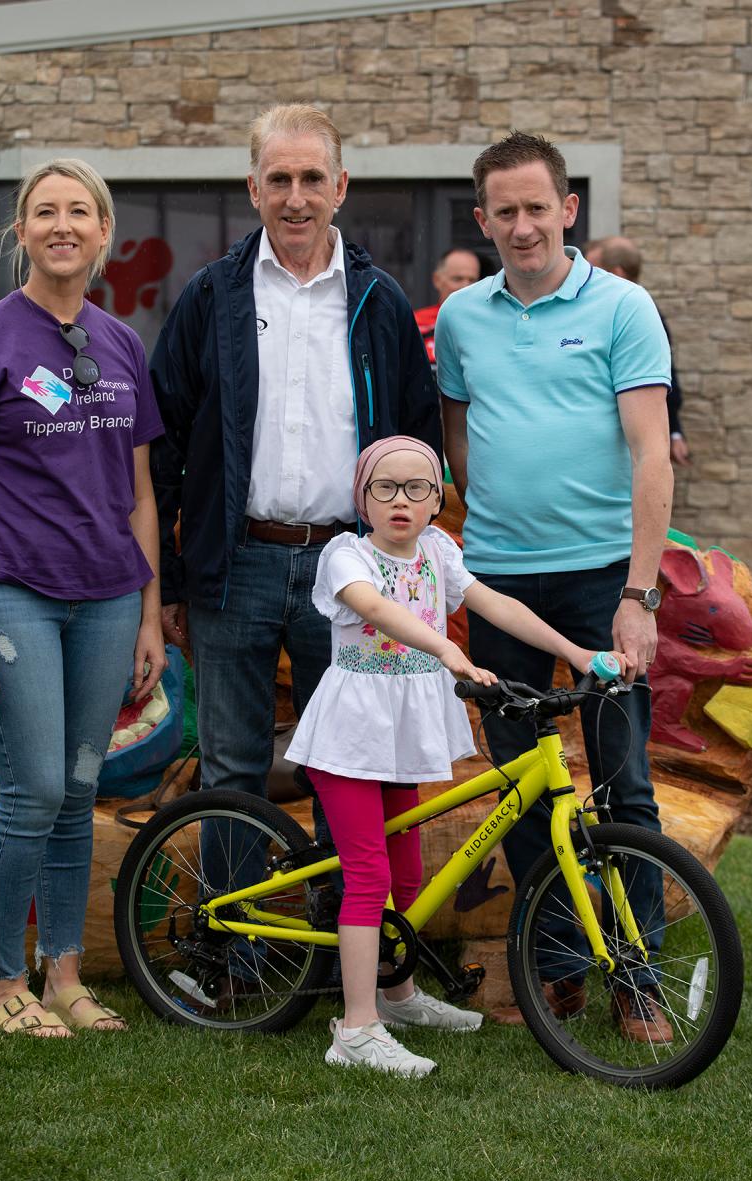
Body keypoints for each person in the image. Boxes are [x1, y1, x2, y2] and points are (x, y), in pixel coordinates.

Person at [149, 105, 441, 854]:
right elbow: (162, 444)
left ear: (340, 186)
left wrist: (410, 569)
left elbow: (419, 442)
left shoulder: (378, 301)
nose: (296, 198)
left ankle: (339, 924)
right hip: (234, 564)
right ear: (254, 188)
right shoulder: (212, 296)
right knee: (231, 768)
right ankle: (237, 928)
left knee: (348, 770)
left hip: (351, 569)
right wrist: (172, 581)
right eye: (278, 179)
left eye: (313, 178)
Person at [437, 132, 675, 1042]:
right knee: (524, 787)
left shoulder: (623, 306)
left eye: (538, 207)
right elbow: (461, 439)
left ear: (568, 209)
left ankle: (640, 978)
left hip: (602, 583)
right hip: (501, 586)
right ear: (483, 219)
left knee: (624, 786)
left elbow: (652, 455)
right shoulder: (462, 318)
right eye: (505, 211)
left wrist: (639, 596)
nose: (524, 225)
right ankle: (560, 966)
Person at [286, 436, 621, 1075]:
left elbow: (497, 604)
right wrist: (446, 649)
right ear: (362, 499)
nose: (401, 500)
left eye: (418, 488)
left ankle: (398, 996)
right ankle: (355, 1030)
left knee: (408, 875)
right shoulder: (346, 555)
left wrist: (577, 653)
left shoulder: (439, 551)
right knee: (368, 877)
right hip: (351, 734)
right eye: (384, 487)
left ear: (437, 500)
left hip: (403, 732)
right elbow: (374, 608)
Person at [0, 158, 166, 1035]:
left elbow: (141, 493)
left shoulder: (121, 344)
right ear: (22, 231)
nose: (62, 226)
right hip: (11, 593)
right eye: (45, 212)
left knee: (80, 790)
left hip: (109, 598)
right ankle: (2, 982)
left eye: (79, 211)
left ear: (104, 231)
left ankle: (65, 979)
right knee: (35, 789)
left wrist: (150, 613)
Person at [584, 236, 690, 466]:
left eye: (593, 270)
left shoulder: (640, 318)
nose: (583, 276)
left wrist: (674, 432)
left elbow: (663, 381)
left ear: (617, 273)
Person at [414, 248, 482, 368]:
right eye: (457, 279)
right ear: (437, 280)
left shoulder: (487, 323)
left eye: (472, 280)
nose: (466, 286)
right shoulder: (415, 322)